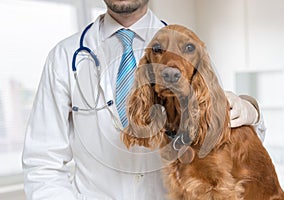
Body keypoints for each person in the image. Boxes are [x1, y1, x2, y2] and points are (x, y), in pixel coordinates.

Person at [22, 0, 266, 199]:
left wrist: (252, 110)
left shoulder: (188, 48)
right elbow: (43, 164)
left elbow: (222, 145)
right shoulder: (64, 57)